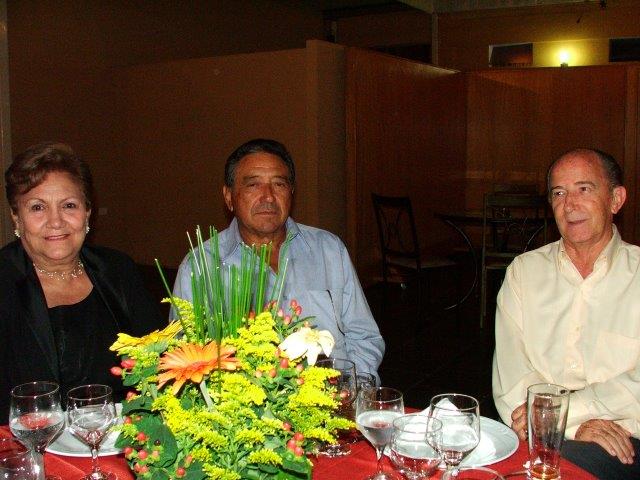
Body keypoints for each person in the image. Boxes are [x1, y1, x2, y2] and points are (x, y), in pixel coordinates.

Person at [172, 138, 384, 379]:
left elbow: (364, 336)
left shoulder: (329, 250)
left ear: (291, 193)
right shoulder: (201, 267)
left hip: (333, 392)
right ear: (229, 196)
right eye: (253, 185)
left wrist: (353, 387)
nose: (268, 197)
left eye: (279, 184)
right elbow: (186, 361)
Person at [492, 148, 640, 478]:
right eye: (559, 193)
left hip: (622, 439)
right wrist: (569, 426)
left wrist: (561, 414)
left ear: (616, 200)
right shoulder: (524, 272)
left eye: (584, 189)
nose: (570, 205)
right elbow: (511, 378)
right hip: (534, 435)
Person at [0, 142, 166, 422]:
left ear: (87, 212)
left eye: (69, 205)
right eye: (38, 207)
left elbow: (159, 362)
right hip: (26, 442)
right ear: (16, 217)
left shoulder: (118, 270)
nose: (56, 221)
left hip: (120, 437)